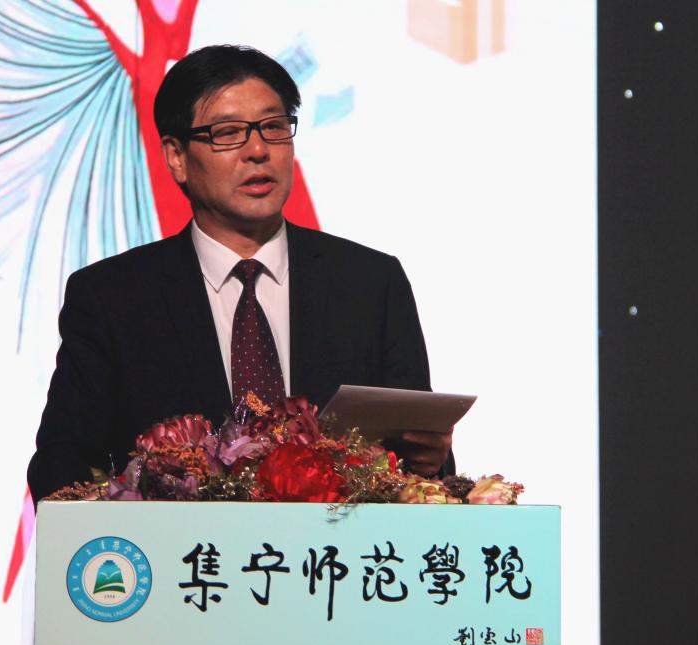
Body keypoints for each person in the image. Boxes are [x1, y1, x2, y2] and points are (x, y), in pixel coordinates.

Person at [27, 45, 453, 504]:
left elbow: (425, 465)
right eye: (228, 133)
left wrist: (431, 459)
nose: (258, 150)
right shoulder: (113, 297)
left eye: (273, 127)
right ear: (176, 157)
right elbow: (60, 463)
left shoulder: (370, 284)